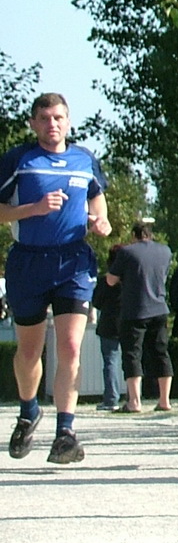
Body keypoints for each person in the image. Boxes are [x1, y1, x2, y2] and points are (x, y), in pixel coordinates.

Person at [1, 93, 111, 465]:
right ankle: (29, 410)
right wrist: (33, 209)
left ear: (68, 121)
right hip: (28, 262)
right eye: (45, 118)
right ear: (33, 123)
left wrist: (101, 220)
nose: (53, 124)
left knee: (71, 347)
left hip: (74, 262)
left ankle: (66, 432)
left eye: (59, 117)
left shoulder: (84, 159)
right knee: (29, 351)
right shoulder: (19, 160)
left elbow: (97, 196)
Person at [107, 220, 175, 412]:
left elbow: (111, 280)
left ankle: (134, 401)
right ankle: (164, 400)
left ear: (134, 235)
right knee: (161, 353)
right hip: (159, 308)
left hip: (135, 309)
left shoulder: (127, 252)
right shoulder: (166, 251)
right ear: (150, 234)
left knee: (132, 354)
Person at [90, 250, 124, 411]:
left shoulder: (105, 281)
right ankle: (135, 396)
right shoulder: (131, 279)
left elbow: (96, 302)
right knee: (133, 360)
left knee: (110, 361)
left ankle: (111, 398)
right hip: (129, 321)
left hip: (109, 323)